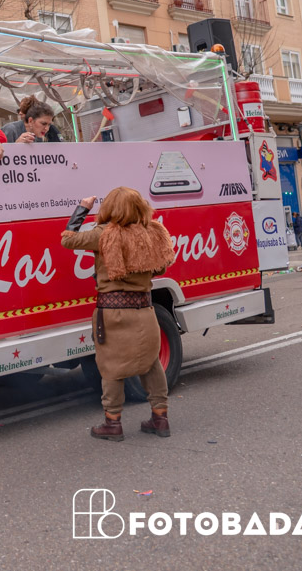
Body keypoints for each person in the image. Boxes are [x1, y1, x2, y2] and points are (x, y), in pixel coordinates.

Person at [60, 188, 177, 442]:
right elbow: (161, 267)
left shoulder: (104, 234)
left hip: (113, 314)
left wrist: (82, 208)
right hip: (145, 311)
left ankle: (112, 423)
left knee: (111, 367)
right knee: (151, 363)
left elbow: (68, 239)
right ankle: (160, 418)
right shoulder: (152, 232)